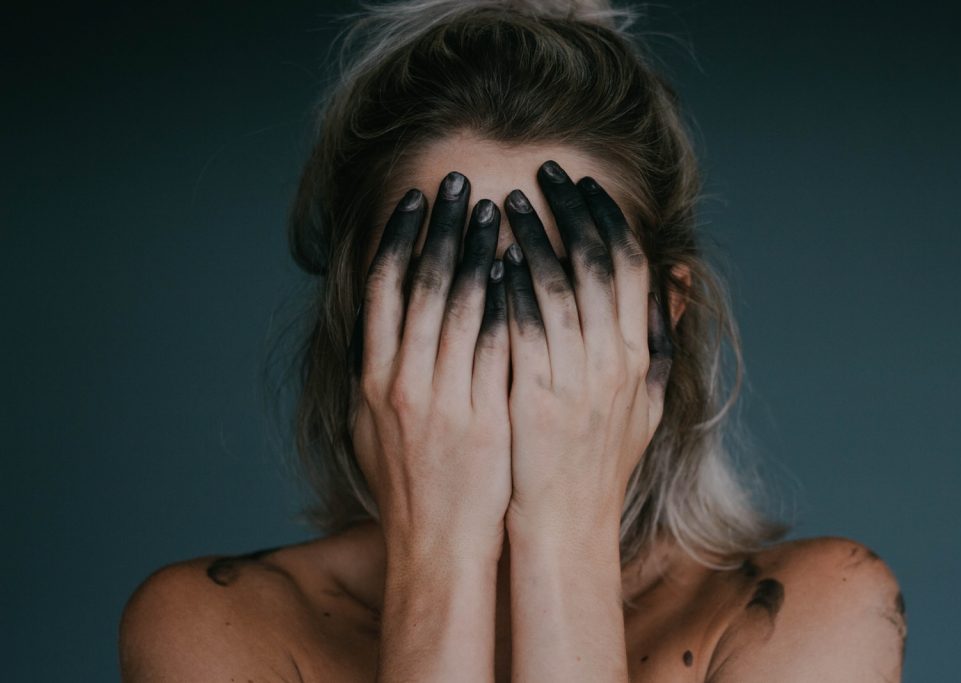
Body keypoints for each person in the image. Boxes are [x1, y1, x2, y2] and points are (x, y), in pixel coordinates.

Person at [118, 1, 907, 680]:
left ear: (661, 321)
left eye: (559, 292)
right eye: (444, 284)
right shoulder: (213, 626)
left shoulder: (812, 613)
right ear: (362, 322)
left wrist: (561, 537)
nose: (500, 349)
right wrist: (442, 555)